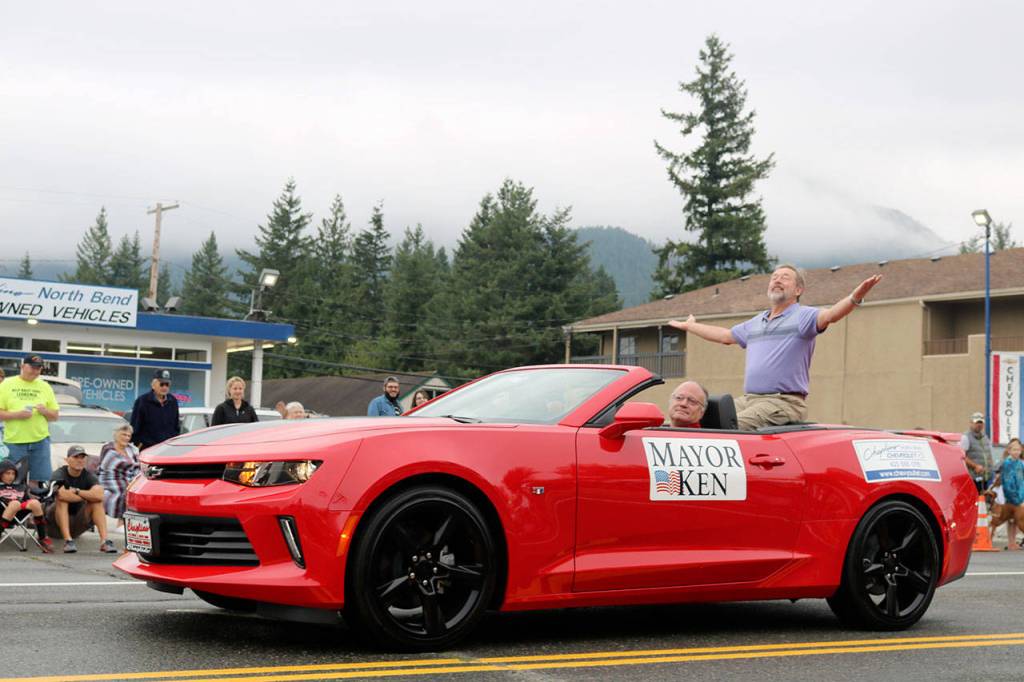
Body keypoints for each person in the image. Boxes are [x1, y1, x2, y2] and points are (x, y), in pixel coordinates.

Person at [669, 265, 882, 430]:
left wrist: (855, 298)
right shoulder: (757, 322)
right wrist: (691, 326)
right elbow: (725, 336)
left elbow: (832, 315)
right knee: (709, 418)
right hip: (750, 400)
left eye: (785, 277)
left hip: (783, 402)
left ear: (798, 290)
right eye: (774, 277)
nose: (777, 280)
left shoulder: (803, 317)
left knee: (728, 427)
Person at [0, 355, 60, 483]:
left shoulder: (45, 386)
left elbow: (55, 416)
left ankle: (36, 503)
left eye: (38, 368)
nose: (35, 371)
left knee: (39, 481)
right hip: (15, 442)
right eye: (32, 367)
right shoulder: (6, 384)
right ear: (22, 366)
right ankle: (16, 503)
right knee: (14, 481)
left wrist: (45, 411)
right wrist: (17, 415)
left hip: (40, 441)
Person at [46, 445, 116, 554]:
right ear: (67, 460)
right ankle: (68, 541)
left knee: (96, 502)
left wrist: (77, 491)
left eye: (82, 457)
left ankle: (104, 542)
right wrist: (87, 495)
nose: (79, 460)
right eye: (76, 457)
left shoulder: (88, 476)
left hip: (77, 524)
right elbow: (63, 495)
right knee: (63, 501)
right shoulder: (59, 473)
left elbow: (99, 495)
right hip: (54, 525)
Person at [0, 459, 52, 552]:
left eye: (13, 473)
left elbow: (27, 500)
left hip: (19, 514)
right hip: (2, 513)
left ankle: (42, 537)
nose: (11, 476)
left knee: (35, 503)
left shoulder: (21, 487)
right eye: (7, 473)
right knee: (14, 503)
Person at [98, 423, 141, 526]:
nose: (126, 438)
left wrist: (135, 474)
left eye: (128, 436)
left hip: (129, 477)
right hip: (110, 478)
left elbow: (137, 465)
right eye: (123, 434)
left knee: (138, 489)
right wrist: (132, 467)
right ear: (116, 435)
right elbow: (110, 466)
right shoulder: (108, 448)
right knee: (126, 491)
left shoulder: (132, 449)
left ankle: (132, 522)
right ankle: (121, 523)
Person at [129, 369, 180, 450]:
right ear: (153, 385)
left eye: (167, 384)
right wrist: (138, 445)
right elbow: (135, 426)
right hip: (147, 449)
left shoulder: (173, 401)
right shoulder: (142, 401)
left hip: (167, 449)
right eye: (161, 384)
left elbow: (176, 426)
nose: (164, 387)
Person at [988, 438, 1024, 550]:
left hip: (1019, 496)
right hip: (1010, 498)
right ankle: (1007, 541)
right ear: (1009, 450)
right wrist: (1015, 498)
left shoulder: (1020, 463)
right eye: (1014, 449)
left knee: (1014, 521)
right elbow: (1007, 482)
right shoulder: (1007, 464)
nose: (1016, 452)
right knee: (1007, 519)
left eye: (1018, 449)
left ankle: (1012, 542)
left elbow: (1022, 480)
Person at [959, 412, 994, 493]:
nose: (979, 425)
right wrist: (975, 466)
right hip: (973, 477)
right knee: (976, 500)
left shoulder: (985, 437)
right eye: (977, 422)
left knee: (983, 500)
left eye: (981, 422)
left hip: (985, 477)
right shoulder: (965, 437)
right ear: (971, 423)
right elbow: (962, 456)